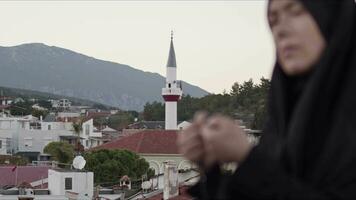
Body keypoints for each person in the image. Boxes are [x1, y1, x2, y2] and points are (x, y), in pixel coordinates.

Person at [177, 0, 356, 199]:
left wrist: (247, 159)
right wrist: (211, 167)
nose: (281, 30)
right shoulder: (284, 117)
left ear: (332, 17)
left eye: (296, 12)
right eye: (274, 20)